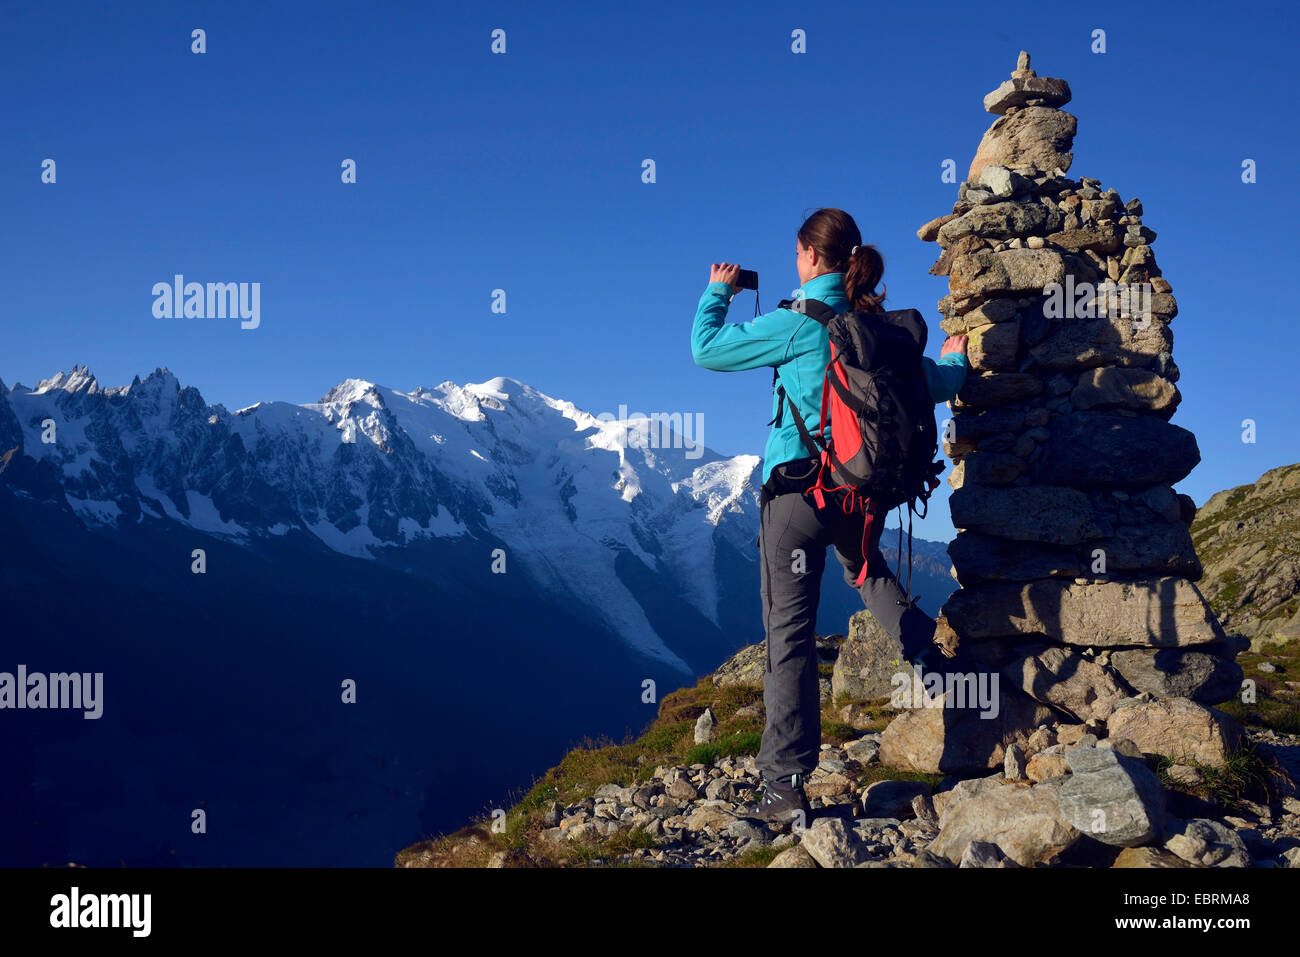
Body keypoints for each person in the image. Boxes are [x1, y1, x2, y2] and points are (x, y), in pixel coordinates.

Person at [690, 208, 969, 825]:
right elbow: (939, 383)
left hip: (796, 499)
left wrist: (719, 291)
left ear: (810, 257)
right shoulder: (876, 331)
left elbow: (705, 351)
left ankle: (785, 786)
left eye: (797, 254)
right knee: (869, 576)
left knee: (789, 635)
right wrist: (956, 358)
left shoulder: (796, 322)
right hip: (859, 498)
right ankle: (946, 677)